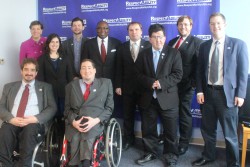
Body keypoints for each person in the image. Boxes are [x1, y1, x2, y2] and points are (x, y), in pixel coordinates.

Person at [192, 12, 249, 167]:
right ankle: (208, 156)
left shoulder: (238, 44)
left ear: (224, 25)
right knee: (208, 129)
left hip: (228, 96)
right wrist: (199, 91)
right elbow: (199, 71)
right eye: (212, 23)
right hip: (208, 94)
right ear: (209, 26)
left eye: (218, 23)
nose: (215, 26)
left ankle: (233, 163)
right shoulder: (204, 46)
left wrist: (241, 94)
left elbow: (243, 73)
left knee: (230, 134)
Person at [135, 24, 183, 167]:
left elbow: (178, 74)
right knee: (148, 128)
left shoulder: (173, 53)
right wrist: (151, 82)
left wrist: (161, 83)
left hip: (168, 98)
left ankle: (171, 156)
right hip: (149, 98)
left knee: (170, 130)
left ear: (165, 37)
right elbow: (137, 75)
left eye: (160, 37)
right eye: (155, 37)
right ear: (149, 39)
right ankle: (151, 152)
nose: (158, 40)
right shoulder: (143, 54)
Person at [0, 58, 57, 167]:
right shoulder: (9, 87)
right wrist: (11, 119)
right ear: (21, 71)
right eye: (26, 69)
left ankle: (24, 164)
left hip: (33, 123)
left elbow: (52, 107)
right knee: (5, 130)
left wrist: (35, 119)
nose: (29, 73)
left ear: (36, 73)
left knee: (29, 130)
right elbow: (1, 106)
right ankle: (6, 164)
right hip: (13, 121)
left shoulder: (46, 87)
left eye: (32, 70)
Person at [64, 59, 114, 167]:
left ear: (95, 70)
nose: (87, 70)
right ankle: (73, 163)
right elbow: (67, 110)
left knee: (88, 133)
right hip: (76, 120)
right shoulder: (70, 86)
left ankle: (86, 162)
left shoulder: (106, 83)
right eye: (83, 68)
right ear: (80, 72)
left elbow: (109, 108)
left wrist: (96, 121)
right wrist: (73, 122)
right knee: (76, 136)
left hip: (95, 120)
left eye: (89, 68)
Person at [168, 15, 203, 155]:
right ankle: (170, 138)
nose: (183, 27)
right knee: (169, 113)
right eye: (180, 24)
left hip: (186, 86)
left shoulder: (197, 42)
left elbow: (199, 67)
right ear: (177, 26)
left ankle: (183, 142)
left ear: (191, 26)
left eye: (186, 24)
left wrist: (193, 84)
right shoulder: (171, 41)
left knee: (184, 114)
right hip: (170, 86)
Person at [115, 22, 151, 150]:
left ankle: (147, 143)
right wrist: (118, 85)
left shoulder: (149, 45)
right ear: (128, 32)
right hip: (127, 88)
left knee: (146, 117)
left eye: (136, 29)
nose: (134, 32)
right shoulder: (122, 47)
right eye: (131, 30)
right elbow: (118, 68)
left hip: (145, 89)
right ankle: (128, 140)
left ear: (141, 31)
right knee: (128, 116)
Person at [37, 33, 74, 118]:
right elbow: (40, 79)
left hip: (63, 92)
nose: (55, 44)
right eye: (52, 42)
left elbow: (70, 77)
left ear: (59, 44)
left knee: (63, 114)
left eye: (57, 42)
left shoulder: (66, 58)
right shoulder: (41, 59)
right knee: (51, 115)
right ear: (48, 43)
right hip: (49, 93)